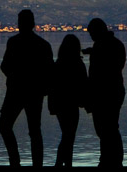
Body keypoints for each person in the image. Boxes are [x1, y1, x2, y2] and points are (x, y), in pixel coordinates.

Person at [0, 9, 54, 167]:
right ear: (33, 24)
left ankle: (14, 161)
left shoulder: (14, 42)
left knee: (5, 126)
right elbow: (49, 71)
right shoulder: (43, 45)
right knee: (35, 131)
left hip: (16, 91)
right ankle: (37, 165)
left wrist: (14, 77)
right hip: (35, 93)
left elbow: (4, 66)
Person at [85, 18, 126, 167]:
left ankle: (109, 160)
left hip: (106, 93)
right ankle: (113, 159)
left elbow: (101, 72)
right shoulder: (114, 44)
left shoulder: (102, 46)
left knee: (106, 128)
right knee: (109, 127)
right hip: (114, 91)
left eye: (91, 33)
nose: (90, 36)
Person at [48, 34, 88, 167]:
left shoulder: (58, 64)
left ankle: (63, 162)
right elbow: (83, 85)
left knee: (67, 134)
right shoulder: (78, 64)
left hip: (60, 104)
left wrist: (52, 105)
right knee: (69, 135)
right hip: (72, 104)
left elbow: (52, 86)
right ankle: (63, 163)